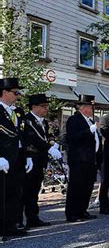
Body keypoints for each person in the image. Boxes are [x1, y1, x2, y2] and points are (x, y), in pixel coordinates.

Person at [21, 94, 62, 228]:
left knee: (35, 190)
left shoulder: (43, 121)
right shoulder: (27, 120)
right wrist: (49, 148)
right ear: (34, 107)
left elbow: (47, 136)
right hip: (29, 159)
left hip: (40, 160)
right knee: (26, 190)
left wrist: (52, 142)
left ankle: (33, 217)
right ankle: (18, 220)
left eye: (46, 106)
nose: (46, 109)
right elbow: (33, 138)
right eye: (43, 106)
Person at [0, 78, 29, 238]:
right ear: (4, 92)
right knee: (2, 194)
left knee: (14, 193)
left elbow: (22, 135)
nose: (18, 96)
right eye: (15, 92)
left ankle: (10, 225)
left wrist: (28, 156)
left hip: (17, 158)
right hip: (3, 160)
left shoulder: (17, 112)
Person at [65, 95, 99, 222]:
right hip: (78, 159)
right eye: (90, 107)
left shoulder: (89, 120)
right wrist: (89, 130)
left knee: (87, 186)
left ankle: (82, 210)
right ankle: (72, 213)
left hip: (89, 158)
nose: (92, 109)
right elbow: (73, 137)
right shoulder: (74, 119)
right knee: (76, 186)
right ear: (84, 108)